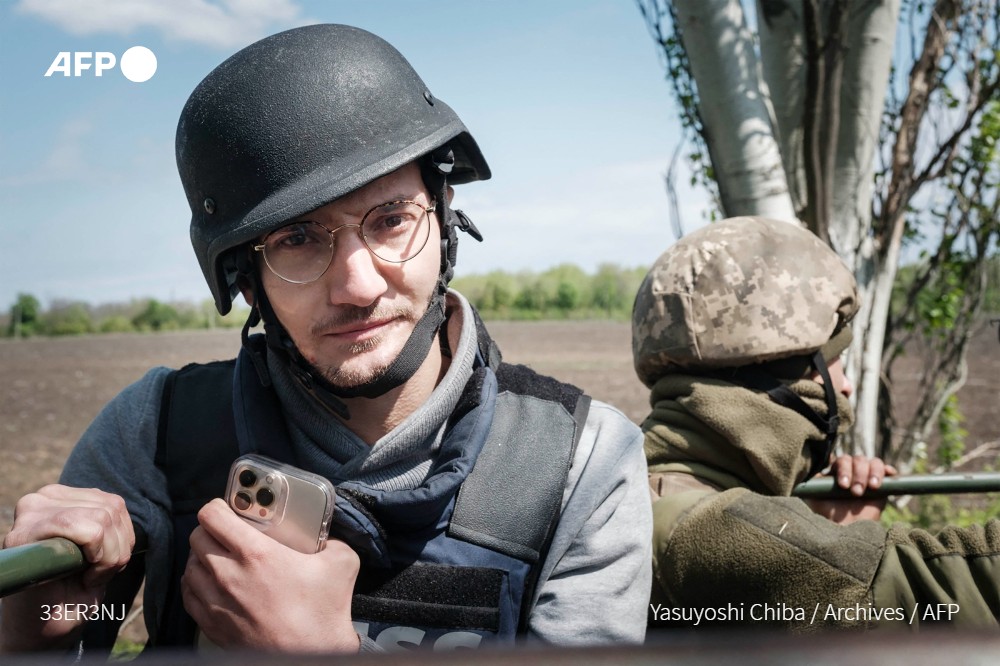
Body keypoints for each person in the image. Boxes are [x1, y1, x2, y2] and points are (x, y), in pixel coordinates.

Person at [0, 24, 651, 655]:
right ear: (247, 280)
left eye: (391, 220)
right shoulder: (156, 435)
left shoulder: (580, 462)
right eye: (299, 239)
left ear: (445, 217)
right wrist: (28, 633)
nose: (357, 285)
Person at [633, 216, 1000, 632]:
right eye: (834, 360)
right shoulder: (702, 534)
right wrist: (836, 550)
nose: (845, 386)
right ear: (780, 372)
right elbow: (946, 593)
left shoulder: (635, 491)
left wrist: (825, 531)